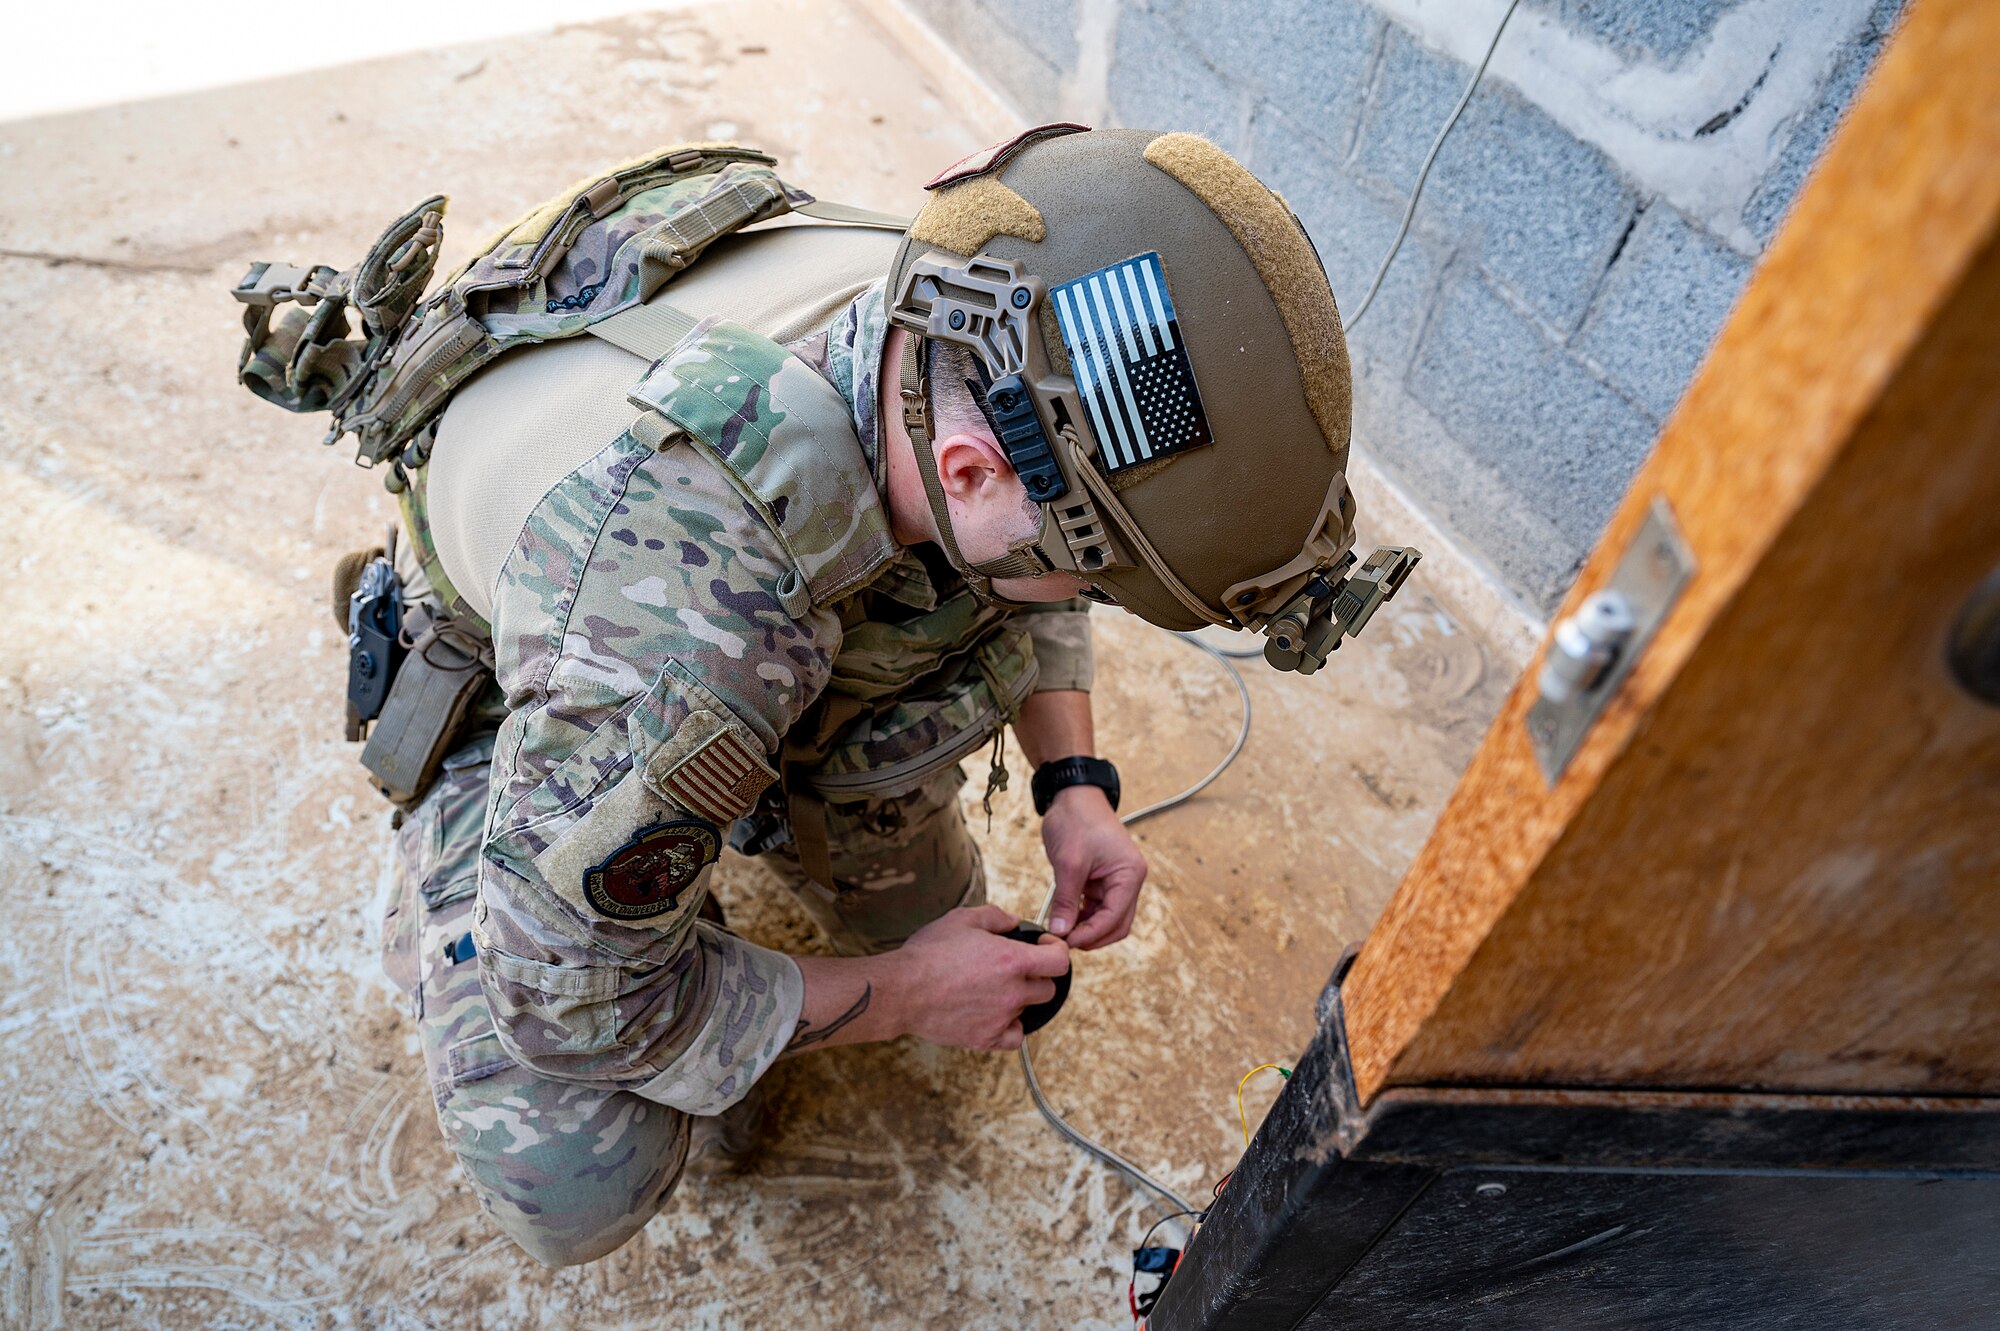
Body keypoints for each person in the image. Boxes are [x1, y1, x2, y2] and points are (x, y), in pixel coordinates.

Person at [234, 125, 1404, 1266]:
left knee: (927, 866)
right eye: (1090, 571)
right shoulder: (690, 623)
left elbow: (1035, 566)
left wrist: (1075, 784)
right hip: (541, 639)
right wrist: (901, 995)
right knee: (572, 1168)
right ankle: (480, 821)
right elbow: (575, 1010)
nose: (1080, 595)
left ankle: (709, 828)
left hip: (693, 577)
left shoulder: (973, 304)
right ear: (965, 472)